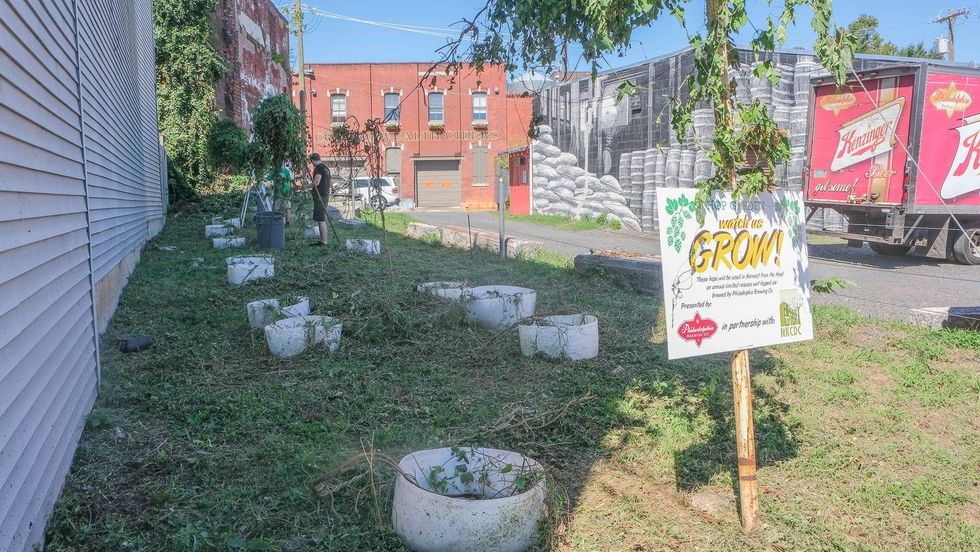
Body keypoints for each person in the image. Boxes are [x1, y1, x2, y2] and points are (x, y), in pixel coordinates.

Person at [309, 153, 331, 245]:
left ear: (312, 160)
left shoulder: (319, 168)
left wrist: (305, 186)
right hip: (325, 194)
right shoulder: (326, 168)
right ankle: (322, 240)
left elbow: (316, 182)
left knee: (321, 219)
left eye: (311, 162)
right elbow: (330, 182)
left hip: (320, 196)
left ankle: (324, 241)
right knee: (320, 218)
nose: (312, 164)